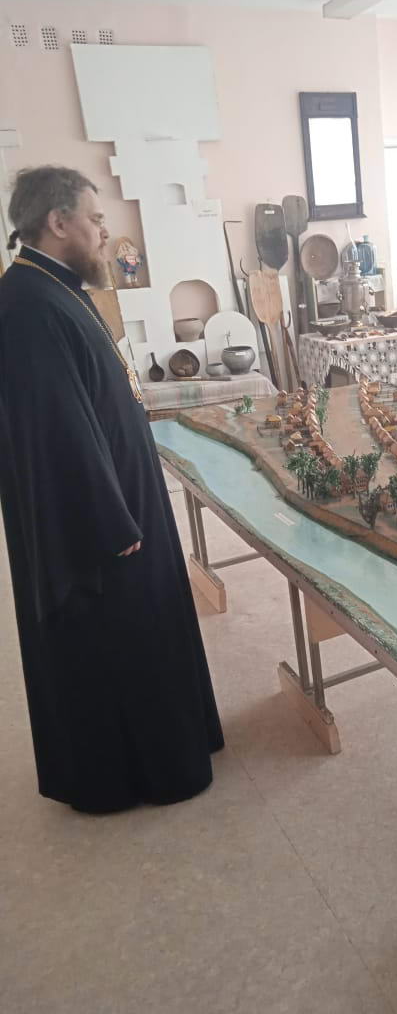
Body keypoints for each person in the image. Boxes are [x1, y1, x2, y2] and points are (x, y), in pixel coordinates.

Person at [0, 166, 224, 813]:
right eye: (96, 219)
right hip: (101, 527)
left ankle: (171, 748)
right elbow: (55, 428)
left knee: (150, 629)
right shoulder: (28, 306)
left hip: (123, 498)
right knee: (123, 640)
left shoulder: (54, 289)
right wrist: (108, 521)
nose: (105, 232)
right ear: (58, 222)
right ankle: (137, 774)